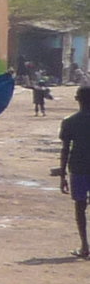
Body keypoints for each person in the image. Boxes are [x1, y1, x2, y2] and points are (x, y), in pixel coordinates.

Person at [57, 85, 90, 259]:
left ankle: (85, 245)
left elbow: (65, 150)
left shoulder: (70, 122)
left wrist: (62, 175)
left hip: (78, 168)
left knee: (80, 206)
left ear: (77, 99)